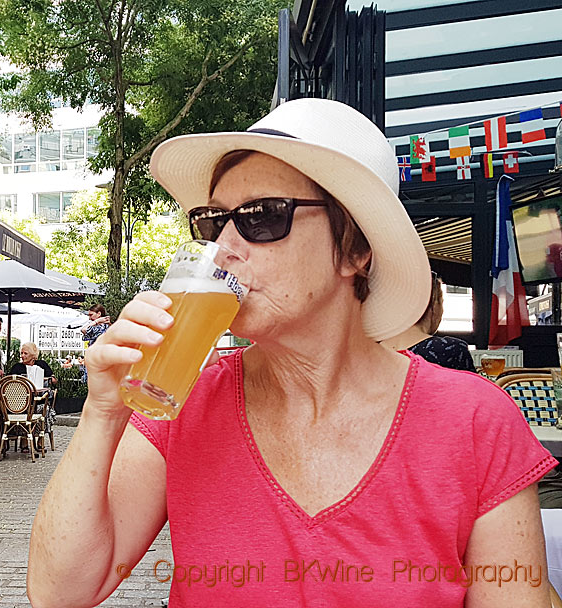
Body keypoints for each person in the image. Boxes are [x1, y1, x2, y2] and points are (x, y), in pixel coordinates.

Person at [27, 99, 554, 607]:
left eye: (261, 216)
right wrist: (103, 412)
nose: (225, 246)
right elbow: (62, 592)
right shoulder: (185, 403)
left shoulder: (473, 423)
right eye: (213, 221)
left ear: (355, 251)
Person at [379, 273, 476, 372]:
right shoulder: (451, 350)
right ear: (434, 303)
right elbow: (475, 386)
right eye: (441, 302)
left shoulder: (371, 351)